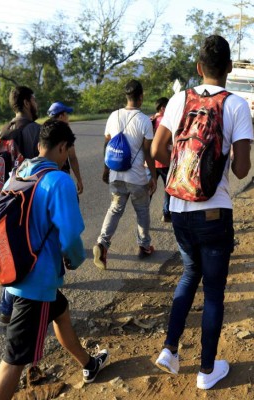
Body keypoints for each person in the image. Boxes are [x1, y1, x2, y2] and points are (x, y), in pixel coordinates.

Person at [151, 35, 253, 390]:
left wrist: (181, 172)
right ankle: (207, 370)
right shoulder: (237, 105)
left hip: (179, 208)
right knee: (213, 292)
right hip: (214, 212)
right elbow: (241, 170)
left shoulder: (179, 99)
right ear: (229, 67)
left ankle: (170, 349)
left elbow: (157, 149)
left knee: (187, 274)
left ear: (198, 68)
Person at [0, 120, 109, 399]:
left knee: (61, 313)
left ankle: (89, 365)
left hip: (16, 269)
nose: (67, 157)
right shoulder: (58, 180)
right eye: (67, 151)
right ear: (62, 147)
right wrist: (76, 260)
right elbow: (69, 236)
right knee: (14, 360)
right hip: (35, 283)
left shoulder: (20, 171)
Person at [93, 80, 157, 270]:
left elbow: (108, 145)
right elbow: (148, 152)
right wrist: (152, 176)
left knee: (115, 209)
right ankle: (144, 246)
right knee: (142, 210)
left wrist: (106, 170)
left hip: (116, 174)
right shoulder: (145, 120)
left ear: (126, 97)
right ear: (141, 97)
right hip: (136, 177)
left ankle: (103, 244)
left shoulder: (114, 116)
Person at [0, 86, 41, 327]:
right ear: (26, 102)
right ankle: (17, 308)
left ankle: (6, 308)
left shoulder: (3, 129)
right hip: (26, 201)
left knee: (12, 251)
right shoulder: (34, 130)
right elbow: (43, 166)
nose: (36, 102)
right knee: (26, 252)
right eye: (33, 98)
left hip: (3, 200)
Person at [47, 101, 84, 194]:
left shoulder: (44, 130)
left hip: (45, 176)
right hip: (61, 176)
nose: (68, 117)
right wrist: (79, 180)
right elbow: (72, 157)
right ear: (61, 116)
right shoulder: (65, 132)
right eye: (66, 114)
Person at [151, 97, 171, 222]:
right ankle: (166, 212)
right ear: (163, 108)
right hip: (164, 160)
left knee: (150, 189)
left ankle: (143, 214)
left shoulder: (150, 120)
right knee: (168, 188)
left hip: (151, 162)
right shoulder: (166, 121)